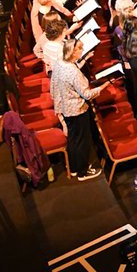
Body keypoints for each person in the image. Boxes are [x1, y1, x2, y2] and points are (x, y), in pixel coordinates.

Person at [51, 39, 107, 180]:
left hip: (65, 107)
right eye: (80, 49)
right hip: (77, 109)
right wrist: (102, 87)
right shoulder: (73, 72)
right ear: (72, 52)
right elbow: (87, 94)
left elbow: (53, 87)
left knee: (73, 138)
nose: (82, 50)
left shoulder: (59, 63)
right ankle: (82, 171)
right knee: (82, 140)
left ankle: (75, 168)